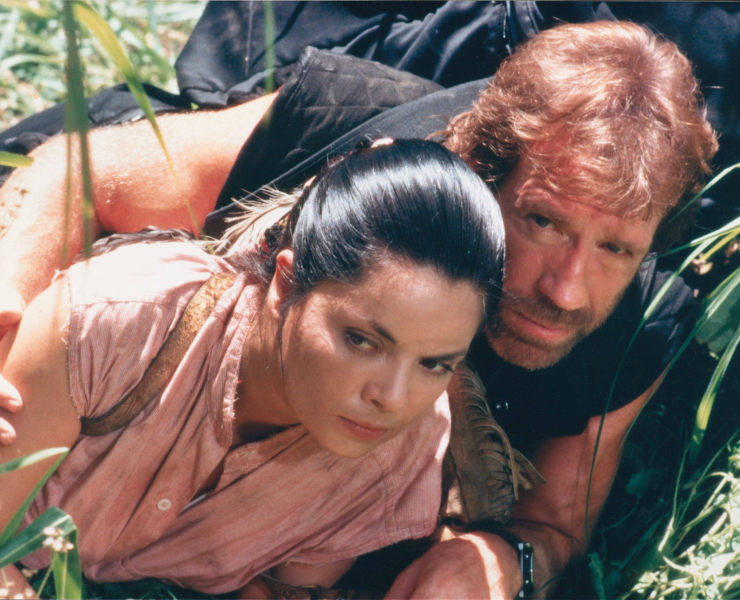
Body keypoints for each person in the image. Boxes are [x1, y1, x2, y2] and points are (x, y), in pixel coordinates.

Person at [0, 19, 719, 599]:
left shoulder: (640, 322)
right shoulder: (354, 128)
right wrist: (10, 304)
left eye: (617, 248)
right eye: (543, 222)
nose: (567, 289)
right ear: (483, 179)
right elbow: (80, 171)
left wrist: (501, 560)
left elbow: (560, 520)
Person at [0, 139, 505, 597]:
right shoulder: (117, 320)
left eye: (434, 364)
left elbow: (281, 591)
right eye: (362, 341)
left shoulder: (405, 445)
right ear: (286, 284)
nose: (391, 399)